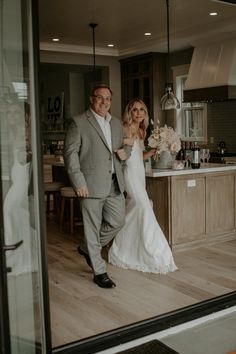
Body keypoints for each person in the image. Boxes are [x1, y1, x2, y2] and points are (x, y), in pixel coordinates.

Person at [63, 84, 132, 288]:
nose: (104, 102)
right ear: (91, 99)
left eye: (108, 98)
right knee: (91, 228)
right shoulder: (78, 122)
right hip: (90, 185)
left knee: (117, 221)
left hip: (114, 182)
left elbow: (126, 144)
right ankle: (99, 271)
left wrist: (126, 152)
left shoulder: (117, 123)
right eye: (100, 98)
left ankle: (87, 248)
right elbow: (70, 153)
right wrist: (78, 181)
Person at [108, 98, 177, 274]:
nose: (138, 113)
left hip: (139, 172)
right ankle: (153, 251)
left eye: (142, 110)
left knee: (136, 208)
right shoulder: (123, 127)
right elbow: (120, 153)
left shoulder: (141, 131)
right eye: (135, 110)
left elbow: (138, 156)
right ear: (129, 112)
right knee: (142, 206)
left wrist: (154, 151)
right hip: (129, 173)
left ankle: (124, 247)